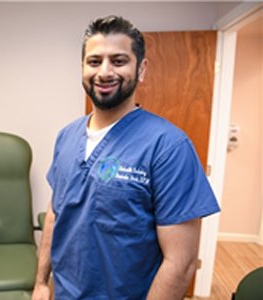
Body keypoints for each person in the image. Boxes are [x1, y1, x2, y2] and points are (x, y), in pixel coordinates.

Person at [32, 15, 220, 300]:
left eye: (119, 61)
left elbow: (179, 264)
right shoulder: (67, 137)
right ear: (82, 68)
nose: (104, 72)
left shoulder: (169, 146)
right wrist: (42, 283)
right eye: (94, 61)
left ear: (141, 69)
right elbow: (56, 214)